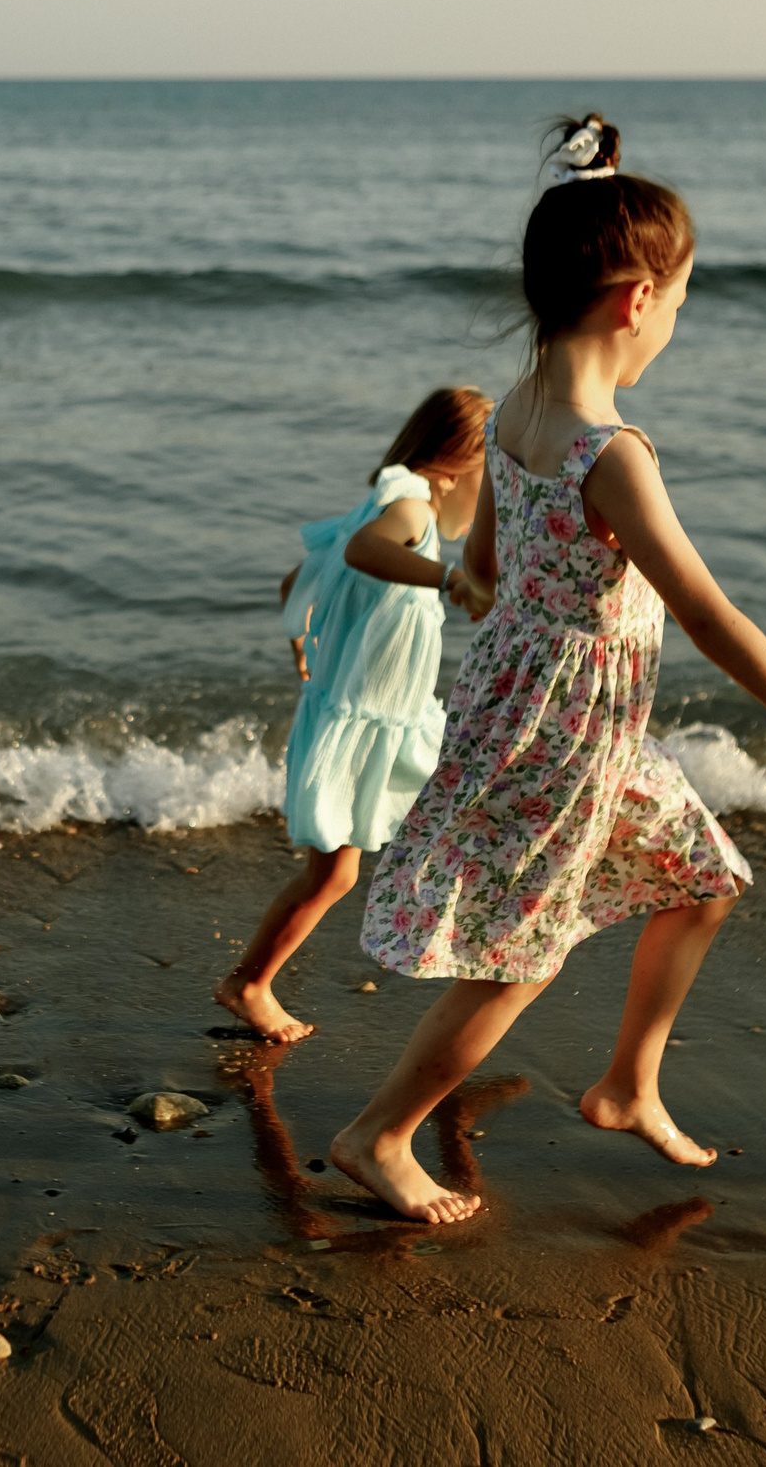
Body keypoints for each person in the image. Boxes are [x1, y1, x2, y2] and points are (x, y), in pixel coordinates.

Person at [330, 116, 766, 1224]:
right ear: (637, 300)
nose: (676, 321)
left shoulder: (515, 409)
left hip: (546, 711)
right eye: (681, 300)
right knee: (520, 955)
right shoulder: (612, 456)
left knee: (702, 881)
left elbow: (484, 561)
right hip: (567, 734)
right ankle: (379, 1134)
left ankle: (628, 1085)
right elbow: (708, 613)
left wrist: (496, 595)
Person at [215, 387, 496, 1044]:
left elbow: (299, 576)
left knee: (448, 823)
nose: (491, 504)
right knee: (335, 873)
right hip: (363, 722)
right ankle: (248, 984)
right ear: (453, 467)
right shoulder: (409, 508)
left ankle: (471, 945)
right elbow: (361, 551)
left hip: (384, 718)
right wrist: (450, 579)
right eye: (489, 483)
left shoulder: (391, 501)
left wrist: (300, 636)